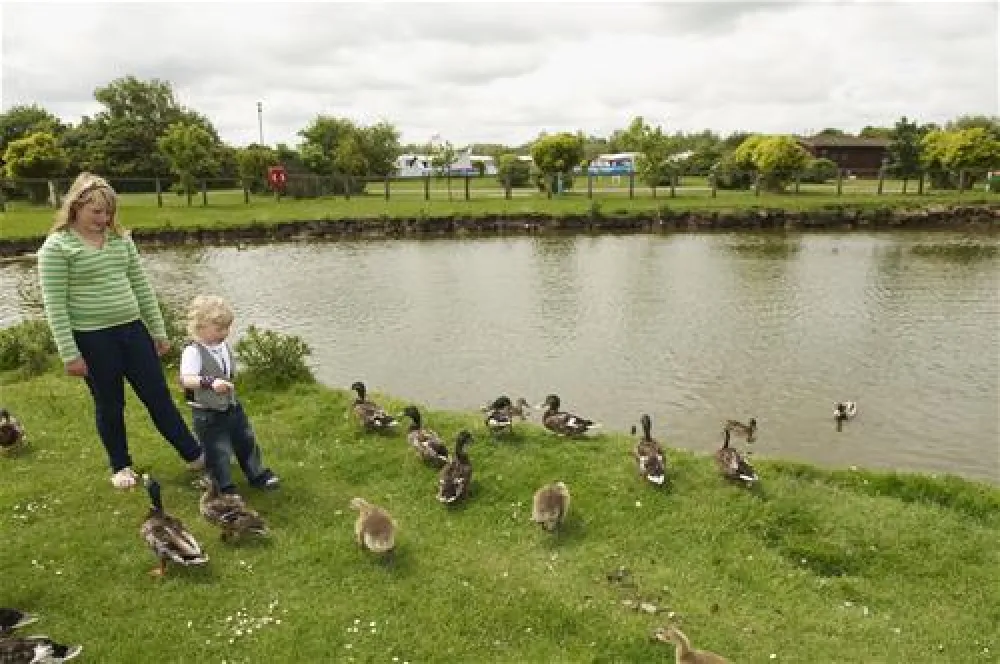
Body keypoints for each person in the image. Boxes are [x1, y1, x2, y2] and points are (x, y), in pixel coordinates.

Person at [36, 172, 205, 489]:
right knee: (110, 404)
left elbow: (142, 287)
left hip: (133, 332)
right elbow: (55, 305)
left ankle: (196, 456)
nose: (104, 219)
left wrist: (158, 331)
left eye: (109, 212)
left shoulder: (120, 240)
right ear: (76, 206)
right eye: (96, 212)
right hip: (93, 340)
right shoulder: (57, 247)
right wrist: (70, 354)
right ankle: (120, 466)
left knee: (158, 397)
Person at [179, 295, 279, 494]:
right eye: (219, 329)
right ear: (200, 327)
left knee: (246, 439)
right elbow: (186, 380)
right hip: (207, 412)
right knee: (217, 450)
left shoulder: (222, 345)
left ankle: (257, 473)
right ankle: (223, 487)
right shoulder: (193, 351)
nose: (225, 333)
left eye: (227, 328)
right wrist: (210, 382)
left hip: (231, 405)